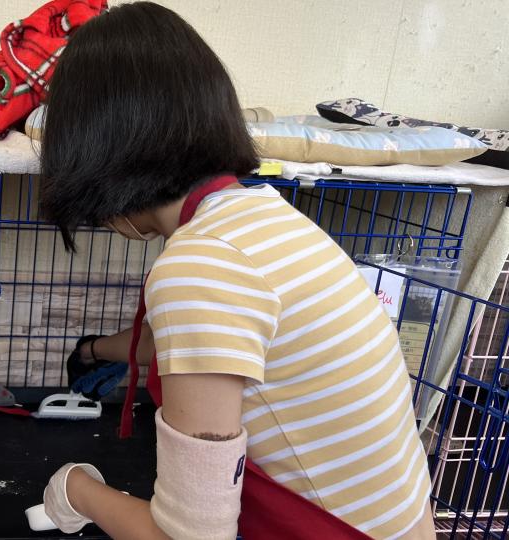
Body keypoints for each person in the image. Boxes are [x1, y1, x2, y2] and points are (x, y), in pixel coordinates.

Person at [37, 3, 436, 539]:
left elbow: (190, 538)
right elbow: (203, 346)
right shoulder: (265, 216)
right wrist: (94, 351)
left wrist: (75, 490)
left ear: (94, 154)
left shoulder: (201, 267)